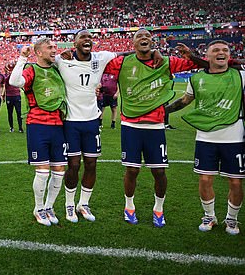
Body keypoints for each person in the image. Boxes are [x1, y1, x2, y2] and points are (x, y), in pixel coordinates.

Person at [103, 29, 202, 227]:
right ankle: (129, 206)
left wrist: (190, 55)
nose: (144, 39)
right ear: (132, 43)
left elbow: (195, 63)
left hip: (156, 127)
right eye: (139, 37)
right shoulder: (121, 63)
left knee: (159, 172)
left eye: (148, 37)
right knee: (132, 170)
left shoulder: (165, 62)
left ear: (153, 42)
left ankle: (159, 209)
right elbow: (94, 62)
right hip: (130, 125)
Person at [165, 40, 244, 235]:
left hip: (234, 136)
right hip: (205, 136)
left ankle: (232, 219)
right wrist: (162, 112)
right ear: (207, 56)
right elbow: (185, 101)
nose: (221, 53)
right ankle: (209, 216)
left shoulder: (241, 75)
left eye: (225, 50)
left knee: (235, 182)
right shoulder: (196, 78)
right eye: (216, 50)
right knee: (205, 179)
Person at [53, 30, 118, 223]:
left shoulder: (101, 57)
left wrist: (155, 53)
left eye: (89, 37)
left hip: (92, 121)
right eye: (82, 37)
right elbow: (43, 60)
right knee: (73, 165)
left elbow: (126, 55)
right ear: (74, 43)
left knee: (91, 164)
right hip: (71, 122)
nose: (87, 39)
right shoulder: (61, 60)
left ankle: (84, 203)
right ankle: (69, 204)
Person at [9, 38, 67, 226]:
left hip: (60, 124)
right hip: (38, 124)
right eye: (49, 47)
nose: (54, 50)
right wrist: (22, 58)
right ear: (39, 52)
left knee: (59, 171)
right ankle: (38, 208)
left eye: (54, 47)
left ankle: (49, 206)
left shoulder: (59, 68)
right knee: (42, 171)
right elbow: (14, 81)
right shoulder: (32, 69)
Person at [4, 61, 24, 133]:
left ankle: (20, 127)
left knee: (19, 112)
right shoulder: (6, 76)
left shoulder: (16, 75)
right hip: (9, 96)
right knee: (10, 112)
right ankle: (11, 127)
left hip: (16, 95)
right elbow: (6, 81)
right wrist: (10, 74)